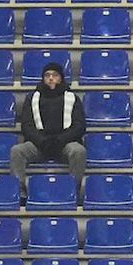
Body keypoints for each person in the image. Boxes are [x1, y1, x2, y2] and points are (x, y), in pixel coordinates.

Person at [11, 62, 86, 201]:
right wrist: (42, 140)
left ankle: (72, 192)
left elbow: (79, 125)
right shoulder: (32, 98)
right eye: (47, 75)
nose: (51, 78)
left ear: (61, 78)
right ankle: (20, 192)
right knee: (17, 151)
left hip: (65, 144)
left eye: (55, 75)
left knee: (78, 151)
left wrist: (60, 140)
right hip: (40, 145)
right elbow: (27, 125)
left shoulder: (72, 97)